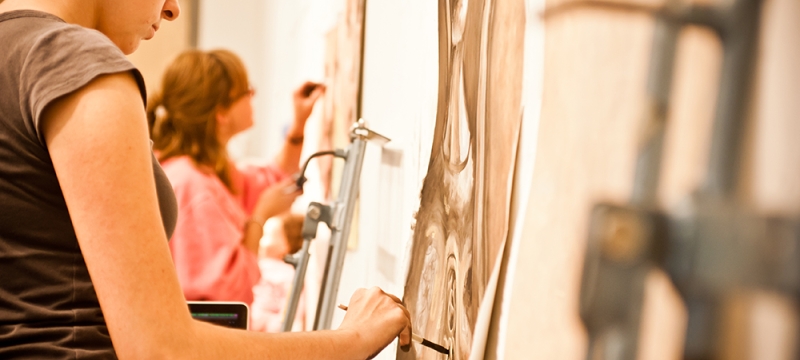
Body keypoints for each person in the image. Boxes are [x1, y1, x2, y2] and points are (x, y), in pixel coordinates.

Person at [0, 0, 410, 359]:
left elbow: (261, 179)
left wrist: (296, 131)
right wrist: (353, 340)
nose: (172, 9)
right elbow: (162, 349)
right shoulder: (74, 61)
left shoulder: (14, 50)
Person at [147, 48, 319, 305]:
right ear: (221, 112)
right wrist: (259, 217)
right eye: (246, 91)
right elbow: (228, 293)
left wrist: (299, 124)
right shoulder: (193, 186)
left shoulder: (204, 172)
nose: (253, 95)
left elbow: (274, 179)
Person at [251, 213, 307, 332]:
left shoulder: (289, 275)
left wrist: (264, 322)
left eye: (267, 236)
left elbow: (291, 315)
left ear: (286, 245)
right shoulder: (257, 264)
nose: (260, 241)